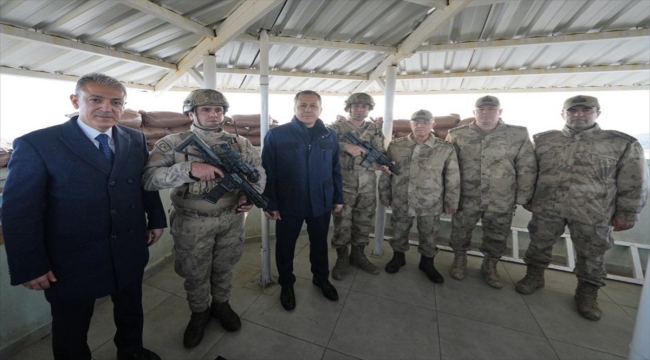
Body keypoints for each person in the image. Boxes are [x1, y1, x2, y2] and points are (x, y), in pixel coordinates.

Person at [2, 73, 167, 360]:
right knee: (71, 329)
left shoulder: (134, 138)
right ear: (75, 100)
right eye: (96, 99)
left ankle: (132, 352)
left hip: (128, 247)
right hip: (71, 259)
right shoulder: (38, 144)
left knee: (130, 311)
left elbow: (143, 184)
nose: (107, 108)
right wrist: (29, 264)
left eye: (116, 102)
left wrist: (155, 218)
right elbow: (18, 211)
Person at [142, 89, 265, 347]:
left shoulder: (240, 143)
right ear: (191, 113)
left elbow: (258, 172)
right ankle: (199, 313)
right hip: (192, 221)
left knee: (224, 266)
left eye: (218, 110)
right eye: (206, 109)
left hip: (231, 218)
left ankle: (221, 305)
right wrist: (188, 169)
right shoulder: (172, 143)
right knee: (195, 272)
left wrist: (251, 196)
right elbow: (150, 179)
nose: (213, 114)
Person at [516, 95, 648, 321]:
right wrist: (528, 196)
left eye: (585, 110)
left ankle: (587, 293)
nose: (578, 114)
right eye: (572, 110)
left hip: (594, 210)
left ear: (598, 112)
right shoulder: (545, 140)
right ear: (563, 114)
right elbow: (530, 171)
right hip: (549, 205)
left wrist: (627, 213)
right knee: (539, 243)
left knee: (592, 254)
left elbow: (634, 180)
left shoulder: (620, 143)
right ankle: (534, 276)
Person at [261, 90, 344, 311]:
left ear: (320, 109)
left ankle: (321, 278)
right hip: (289, 202)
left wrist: (338, 197)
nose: (308, 110)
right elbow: (267, 172)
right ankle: (286, 284)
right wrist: (270, 203)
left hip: (321, 201)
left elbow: (335, 168)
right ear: (295, 108)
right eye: (303, 105)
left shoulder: (329, 135)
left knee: (319, 244)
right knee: (285, 247)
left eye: (313, 105)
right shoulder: (277, 135)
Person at [445, 95, 537, 289]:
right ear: (474, 112)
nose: (486, 113)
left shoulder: (517, 134)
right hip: (466, 196)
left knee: (497, 235)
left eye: (491, 109)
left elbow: (526, 166)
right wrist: (449, 195)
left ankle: (490, 266)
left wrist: (523, 197)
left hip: (501, 197)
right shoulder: (457, 134)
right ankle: (459, 261)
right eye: (481, 109)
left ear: (500, 111)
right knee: (460, 232)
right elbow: (448, 167)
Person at [378, 109, 460, 283]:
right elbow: (387, 171)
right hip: (402, 198)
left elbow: (452, 176)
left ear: (433, 125)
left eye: (425, 122)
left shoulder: (445, 148)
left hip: (431, 201)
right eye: (416, 122)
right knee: (399, 229)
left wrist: (451, 201)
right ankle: (398, 257)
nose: (420, 126)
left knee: (429, 233)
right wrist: (385, 193)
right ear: (410, 124)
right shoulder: (396, 145)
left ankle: (427, 262)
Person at [327, 93, 385, 280]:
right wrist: (344, 146)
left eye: (364, 106)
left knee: (364, 221)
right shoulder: (335, 128)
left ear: (369, 109)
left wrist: (382, 163)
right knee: (342, 222)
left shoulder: (375, 129)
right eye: (356, 106)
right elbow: (323, 145)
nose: (360, 109)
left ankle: (358, 255)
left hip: (367, 185)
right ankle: (342, 258)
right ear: (348, 108)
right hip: (343, 184)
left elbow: (380, 152)